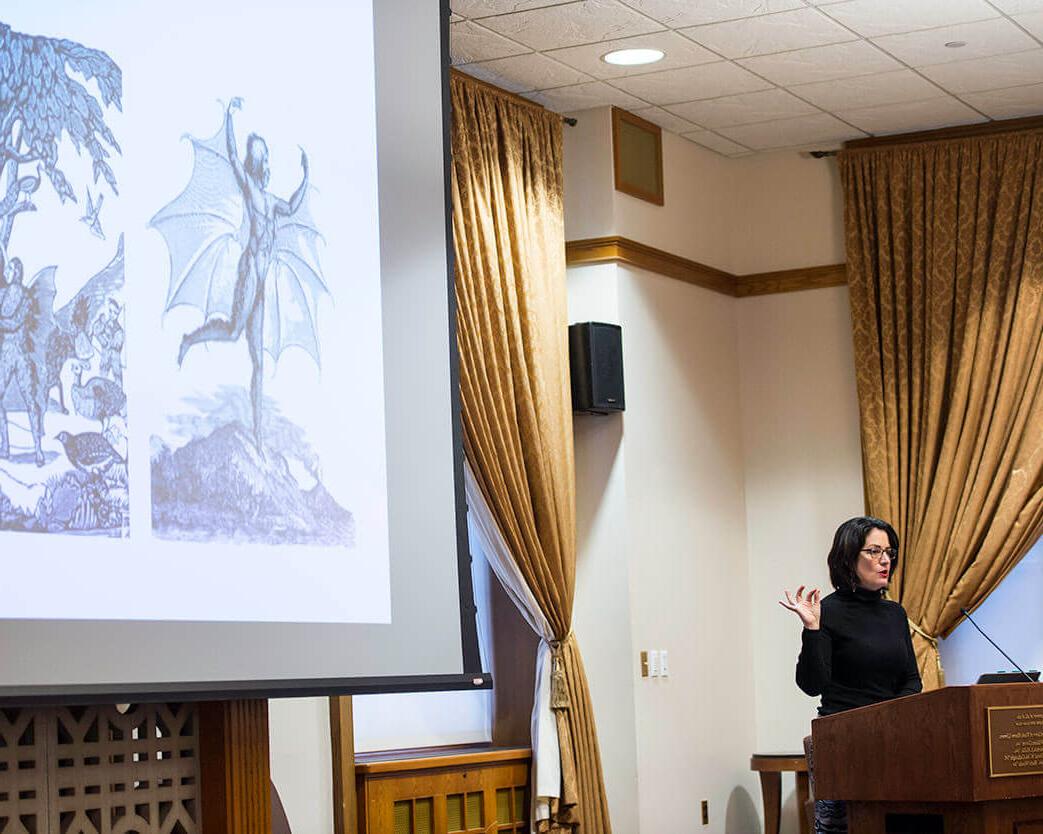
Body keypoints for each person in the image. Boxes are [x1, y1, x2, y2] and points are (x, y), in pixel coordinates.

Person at [176, 97, 309, 451]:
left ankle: (259, 434)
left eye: (264, 153)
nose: (262, 158)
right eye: (259, 154)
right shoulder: (251, 190)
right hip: (250, 270)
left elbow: (293, 206)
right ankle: (190, 339)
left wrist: (306, 176)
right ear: (255, 161)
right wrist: (228, 118)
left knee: (258, 359)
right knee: (234, 331)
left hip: (264, 279)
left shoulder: (270, 199)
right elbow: (233, 158)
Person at [779, 516, 922, 834]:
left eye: (889, 551)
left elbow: (911, 681)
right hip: (844, 745)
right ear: (848, 557)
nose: (885, 560)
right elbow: (811, 685)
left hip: (895, 742)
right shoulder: (826, 611)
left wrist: (895, 721)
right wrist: (812, 630)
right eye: (874, 551)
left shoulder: (895, 614)